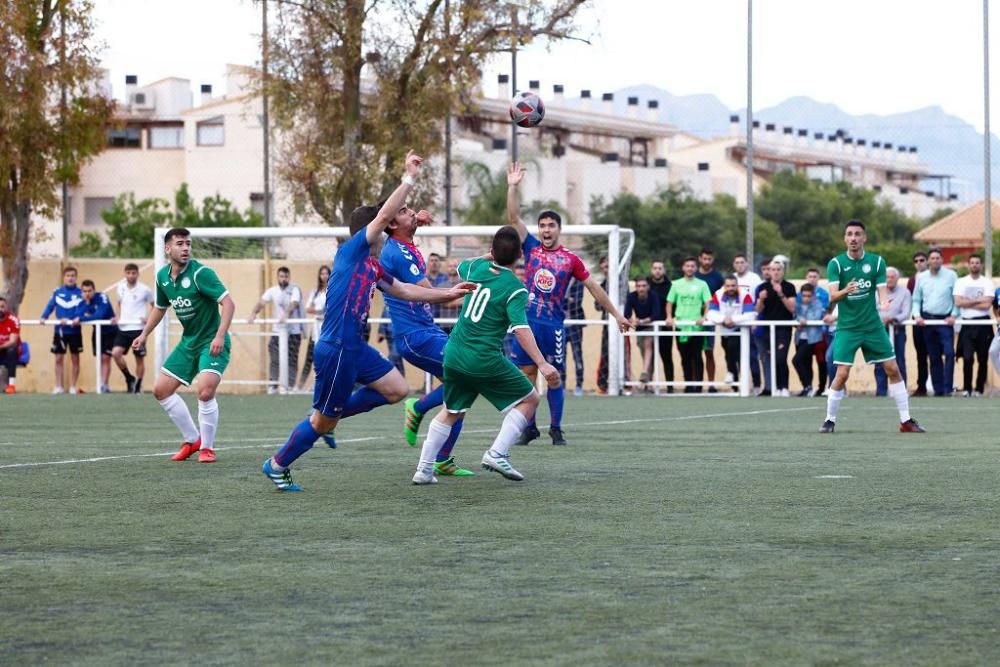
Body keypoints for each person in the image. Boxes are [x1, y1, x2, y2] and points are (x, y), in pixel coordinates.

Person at [260, 150, 475, 492]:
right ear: (370, 230)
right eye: (382, 221)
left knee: (397, 390)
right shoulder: (352, 251)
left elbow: (405, 291)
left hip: (354, 348)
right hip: (335, 349)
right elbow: (387, 213)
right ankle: (277, 464)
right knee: (321, 421)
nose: (388, 223)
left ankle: (331, 417)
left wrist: (449, 295)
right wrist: (409, 176)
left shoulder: (374, 267)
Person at [411, 226, 561, 485]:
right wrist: (542, 362)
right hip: (482, 357)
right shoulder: (516, 288)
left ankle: (423, 470)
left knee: (451, 410)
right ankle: (497, 453)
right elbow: (520, 328)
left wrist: (489, 256)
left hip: (454, 353)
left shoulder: (475, 269)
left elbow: (463, 264)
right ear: (519, 256)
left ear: (493, 250)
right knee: (530, 400)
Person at [506, 161, 630, 445]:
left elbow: (594, 288)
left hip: (554, 325)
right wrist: (513, 186)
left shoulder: (570, 259)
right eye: (542, 226)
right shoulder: (531, 247)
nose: (546, 230)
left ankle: (556, 427)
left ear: (559, 229)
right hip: (527, 323)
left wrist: (617, 315)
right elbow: (513, 216)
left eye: (551, 225)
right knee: (525, 374)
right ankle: (530, 427)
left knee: (554, 377)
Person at [131, 227, 237, 463]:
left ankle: (207, 448)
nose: (186, 248)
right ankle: (193, 440)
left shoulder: (201, 274)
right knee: (161, 390)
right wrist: (144, 333)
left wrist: (220, 336)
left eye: (188, 243)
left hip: (212, 340)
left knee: (205, 390)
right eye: (180, 244)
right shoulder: (162, 277)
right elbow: (160, 308)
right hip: (189, 342)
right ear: (168, 248)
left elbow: (229, 304)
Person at [382, 206, 474, 477]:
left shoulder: (405, 243)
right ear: (390, 224)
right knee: (467, 377)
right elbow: (430, 293)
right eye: (404, 211)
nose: (412, 211)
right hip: (415, 337)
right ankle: (417, 407)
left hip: (427, 330)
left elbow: (405, 229)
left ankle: (443, 459)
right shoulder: (396, 253)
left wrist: (416, 222)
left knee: (461, 387)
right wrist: (472, 296)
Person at [820, 220, 924, 433]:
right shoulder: (836, 264)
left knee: (892, 368)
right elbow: (833, 295)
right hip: (848, 327)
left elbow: (882, 291)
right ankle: (829, 420)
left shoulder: (877, 263)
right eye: (849, 234)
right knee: (842, 373)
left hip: (872, 326)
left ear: (864, 238)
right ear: (845, 238)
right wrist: (846, 290)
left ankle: (906, 421)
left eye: (857, 234)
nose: (853, 238)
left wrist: (885, 302)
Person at [248, 266, 303, 394]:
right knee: (274, 358)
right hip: (277, 331)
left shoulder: (294, 289)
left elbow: (294, 303)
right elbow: (261, 302)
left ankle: (289, 386)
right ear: (278, 277)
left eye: (286, 277)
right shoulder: (272, 291)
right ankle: (273, 385)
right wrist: (253, 313)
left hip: (293, 332)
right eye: (281, 276)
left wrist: (286, 314)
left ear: (289, 277)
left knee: (292, 359)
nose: (284, 279)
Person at [911, 248, 958, 397]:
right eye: (932, 258)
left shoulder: (951, 275)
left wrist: (954, 315)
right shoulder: (922, 277)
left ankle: (947, 388)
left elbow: (956, 297)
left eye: (938, 258)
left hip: (945, 320)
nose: (935, 260)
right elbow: (916, 299)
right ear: (929, 261)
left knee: (950, 353)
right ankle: (939, 391)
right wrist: (917, 315)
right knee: (934, 356)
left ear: (942, 260)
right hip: (927, 320)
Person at [666, 257, 712, 393]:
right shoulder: (676, 284)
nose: (690, 268)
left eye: (692, 266)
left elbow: (708, 302)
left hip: (697, 327)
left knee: (697, 356)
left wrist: (704, 317)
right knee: (684, 357)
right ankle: (688, 385)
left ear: (696, 268)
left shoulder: (702, 284)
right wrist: (669, 317)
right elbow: (669, 303)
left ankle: (698, 385)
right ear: (683, 268)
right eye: (687, 266)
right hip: (681, 326)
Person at [953, 253, 994, 397]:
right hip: (967, 324)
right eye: (972, 262)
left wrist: (968, 301)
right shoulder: (961, 282)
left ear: (980, 265)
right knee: (967, 357)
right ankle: (967, 388)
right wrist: (978, 300)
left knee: (983, 358)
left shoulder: (987, 282)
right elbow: (958, 302)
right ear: (968, 265)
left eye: (977, 262)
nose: (975, 265)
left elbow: (987, 304)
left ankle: (979, 389)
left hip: (983, 323)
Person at [754, 260, 796, 397]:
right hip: (767, 329)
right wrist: (760, 299)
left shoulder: (789, 287)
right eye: (773, 270)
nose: (776, 272)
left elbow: (792, 308)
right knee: (769, 359)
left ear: (783, 271)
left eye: (778, 269)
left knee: (780, 358)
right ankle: (774, 387)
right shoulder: (763, 287)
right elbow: (757, 310)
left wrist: (781, 294)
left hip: (783, 328)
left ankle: (784, 387)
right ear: (769, 271)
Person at [40, 266, 84, 394]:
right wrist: (44, 317)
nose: (70, 278)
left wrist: (71, 318)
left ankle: (73, 386)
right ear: (64, 277)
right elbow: (50, 306)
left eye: (72, 276)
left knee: (75, 358)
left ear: (76, 278)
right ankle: (58, 386)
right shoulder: (57, 292)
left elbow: (83, 310)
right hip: (60, 331)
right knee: (58, 358)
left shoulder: (80, 293)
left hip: (75, 331)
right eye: (68, 276)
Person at [706, 275, 755, 390]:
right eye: (728, 286)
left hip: (740, 330)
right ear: (724, 286)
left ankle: (739, 379)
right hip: (724, 330)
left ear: (737, 285)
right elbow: (711, 313)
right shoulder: (718, 294)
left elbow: (750, 314)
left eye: (733, 285)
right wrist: (723, 319)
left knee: (736, 352)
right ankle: (735, 385)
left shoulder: (745, 295)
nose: (731, 288)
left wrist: (733, 320)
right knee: (729, 354)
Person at [113, 263, 154, 394]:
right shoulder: (120, 288)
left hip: (138, 329)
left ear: (137, 274)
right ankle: (129, 378)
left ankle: (138, 385)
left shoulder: (145, 289)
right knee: (116, 353)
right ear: (125, 274)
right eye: (128, 273)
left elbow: (154, 306)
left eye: (133, 273)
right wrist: (117, 316)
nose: (131, 275)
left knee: (139, 358)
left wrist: (147, 317)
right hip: (123, 328)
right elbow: (118, 304)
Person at [873, 267, 911, 397]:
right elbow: (871, 310)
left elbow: (906, 313)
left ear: (897, 278)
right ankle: (881, 392)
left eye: (892, 277)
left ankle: (901, 393)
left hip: (897, 330)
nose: (889, 279)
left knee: (899, 361)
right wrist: (880, 320)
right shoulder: (876, 292)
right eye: (887, 277)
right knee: (879, 362)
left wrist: (894, 319)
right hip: (878, 331)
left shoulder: (905, 292)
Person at [79, 280, 119, 394]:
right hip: (97, 331)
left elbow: (99, 316)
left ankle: (104, 385)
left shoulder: (102, 297)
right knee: (100, 358)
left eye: (89, 291)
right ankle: (100, 383)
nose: (87, 293)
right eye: (84, 291)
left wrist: (83, 318)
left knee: (106, 357)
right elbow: (76, 314)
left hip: (110, 331)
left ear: (94, 290)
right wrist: (83, 311)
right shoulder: (82, 301)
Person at [624, 277, 664, 391]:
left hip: (653, 325)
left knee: (648, 344)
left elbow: (656, 314)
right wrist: (633, 320)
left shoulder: (653, 296)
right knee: (646, 354)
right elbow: (627, 314)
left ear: (648, 287)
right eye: (639, 286)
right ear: (636, 287)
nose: (641, 288)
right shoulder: (631, 296)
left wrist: (642, 321)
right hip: (640, 327)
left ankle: (645, 371)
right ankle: (648, 383)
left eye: (643, 286)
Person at [297, 265, 330, 391]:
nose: (324, 276)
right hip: (316, 328)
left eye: (326, 273)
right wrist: (320, 311)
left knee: (325, 356)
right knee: (310, 356)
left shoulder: (333, 290)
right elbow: (308, 308)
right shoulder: (315, 292)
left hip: (328, 328)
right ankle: (299, 386)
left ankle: (321, 384)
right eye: (322, 274)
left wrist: (324, 313)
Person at [695, 248, 724, 392]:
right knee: (694, 353)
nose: (706, 261)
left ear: (712, 260)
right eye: (704, 258)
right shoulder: (693, 275)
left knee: (708, 352)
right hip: (692, 319)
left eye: (709, 259)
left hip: (709, 321)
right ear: (700, 258)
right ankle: (695, 384)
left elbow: (722, 297)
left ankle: (711, 384)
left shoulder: (718, 277)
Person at [731, 254, 761, 390]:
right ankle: (737, 385)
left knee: (752, 355)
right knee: (734, 355)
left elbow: (759, 300)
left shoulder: (754, 278)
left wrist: (754, 320)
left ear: (747, 264)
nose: (739, 265)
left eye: (742, 262)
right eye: (737, 262)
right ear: (733, 264)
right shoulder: (732, 278)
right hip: (734, 323)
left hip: (749, 322)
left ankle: (757, 384)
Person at [791, 283, 826, 397]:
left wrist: (803, 320)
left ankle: (808, 386)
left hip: (813, 338)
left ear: (813, 295)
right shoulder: (797, 304)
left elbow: (815, 317)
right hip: (799, 338)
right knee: (805, 363)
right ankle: (807, 387)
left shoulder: (817, 304)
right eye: (804, 295)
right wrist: (799, 321)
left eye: (808, 296)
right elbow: (794, 316)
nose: (806, 298)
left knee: (796, 360)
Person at [647, 260, 674, 392]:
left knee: (667, 356)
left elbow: (673, 305)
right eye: (655, 268)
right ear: (651, 270)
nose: (657, 270)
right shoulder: (646, 285)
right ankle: (649, 385)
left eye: (660, 268)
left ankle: (670, 386)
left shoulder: (670, 286)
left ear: (664, 270)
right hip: (648, 326)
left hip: (665, 326)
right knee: (649, 356)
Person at [907, 251, 930, 396]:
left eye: (922, 260)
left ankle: (941, 385)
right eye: (916, 261)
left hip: (933, 320)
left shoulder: (934, 277)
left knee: (936, 354)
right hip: (917, 321)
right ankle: (921, 386)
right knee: (920, 355)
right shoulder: (912, 281)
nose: (919, 263)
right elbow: (909, 300)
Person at [563, 277, 586, 396]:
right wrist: (567, 300)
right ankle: (561, 385)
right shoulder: (559, 279)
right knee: (560, 356)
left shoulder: (579, 282)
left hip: (575, 325)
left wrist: (564, 300)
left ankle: (579, 385)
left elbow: (577, 302)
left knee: (577, 355)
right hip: (560, 324)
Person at [436, 258, 463, 334]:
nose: (452, 268)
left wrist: (447, 302)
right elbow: (439, 302)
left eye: (455, 266)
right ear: (446, 268)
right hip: (445, 324)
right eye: (450, 266)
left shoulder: (465, 284)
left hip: (460, 323)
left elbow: (466, 300)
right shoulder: (441, 286)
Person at [0, 296, 20, 394]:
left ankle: (11, 385)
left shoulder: (13, 319)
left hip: (9, 350)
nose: (0, 309)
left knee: (11, 350)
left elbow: (13, 341)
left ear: (6, 307)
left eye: (2, 307)